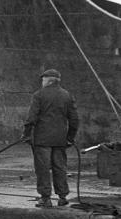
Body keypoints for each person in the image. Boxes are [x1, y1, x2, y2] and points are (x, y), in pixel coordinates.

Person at [22, 68, 79, 208]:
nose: (42, 82)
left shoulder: (39, 95)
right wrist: (70, 137)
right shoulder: (67, 95)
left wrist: (26, 134)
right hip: (60, 140)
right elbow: (74, 119)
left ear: (48, 80)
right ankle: (62, 196)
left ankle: (45, 198)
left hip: (42, 140)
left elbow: (31, 117)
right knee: (60, 168)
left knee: (43, 169)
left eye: (43, 79)